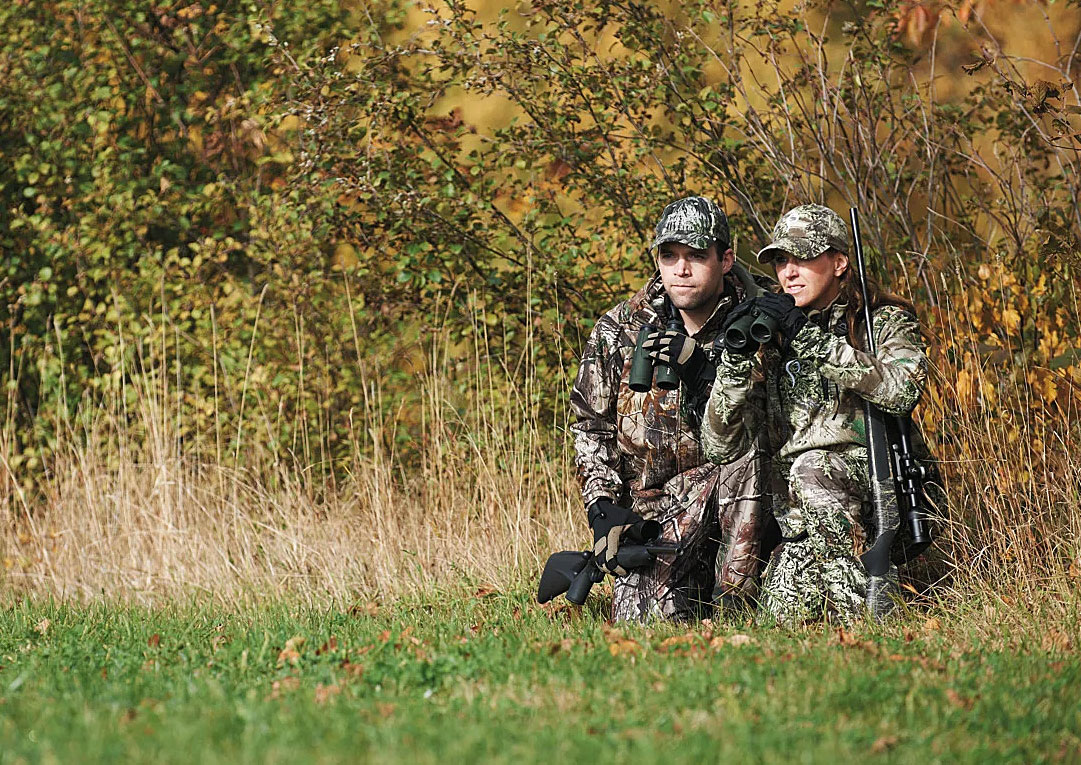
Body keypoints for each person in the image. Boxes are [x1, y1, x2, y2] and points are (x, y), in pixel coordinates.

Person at [701, 204, 928, 625]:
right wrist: (734, 363)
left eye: (803, 258)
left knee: (812, 466)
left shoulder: (881, 322)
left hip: (872, 487)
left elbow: (902, 391)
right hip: (799, 514)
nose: (789, 271)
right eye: (781, 261)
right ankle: (859, 601)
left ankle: (877, 617)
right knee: (782, 618)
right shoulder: (768, 332)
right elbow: (717, 447)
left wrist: (811, 339)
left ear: (840, 262)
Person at [569, 196, 769, 622]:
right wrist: (602, 508)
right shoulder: (619, 327)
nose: (681, 269)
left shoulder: (760, 322)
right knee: (645, 623)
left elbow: (766, 424)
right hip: (659, 514)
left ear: (726, 259)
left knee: (741, 452)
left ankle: (736, 601)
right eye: (669, 255)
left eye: (696, 256)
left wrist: (702, 368)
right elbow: (590, 426)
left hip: (747, 510)